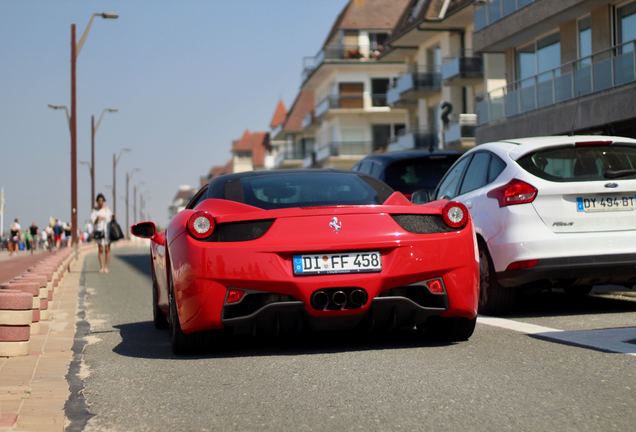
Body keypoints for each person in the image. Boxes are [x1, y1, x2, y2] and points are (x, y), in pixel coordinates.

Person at [91, 193, 113, 273]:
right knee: (100, 249)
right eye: (99, 201)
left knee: (107, 249)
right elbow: (93, 221)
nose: (100, 202)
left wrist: (111, 217)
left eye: (102, 200)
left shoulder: (107, 210)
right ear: (97, 201)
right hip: (99, 231)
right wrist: (98, 218)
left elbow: (111, 219)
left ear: (104, 201)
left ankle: (106, 267)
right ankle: (101, 267)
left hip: (107, 231)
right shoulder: (94, 211)